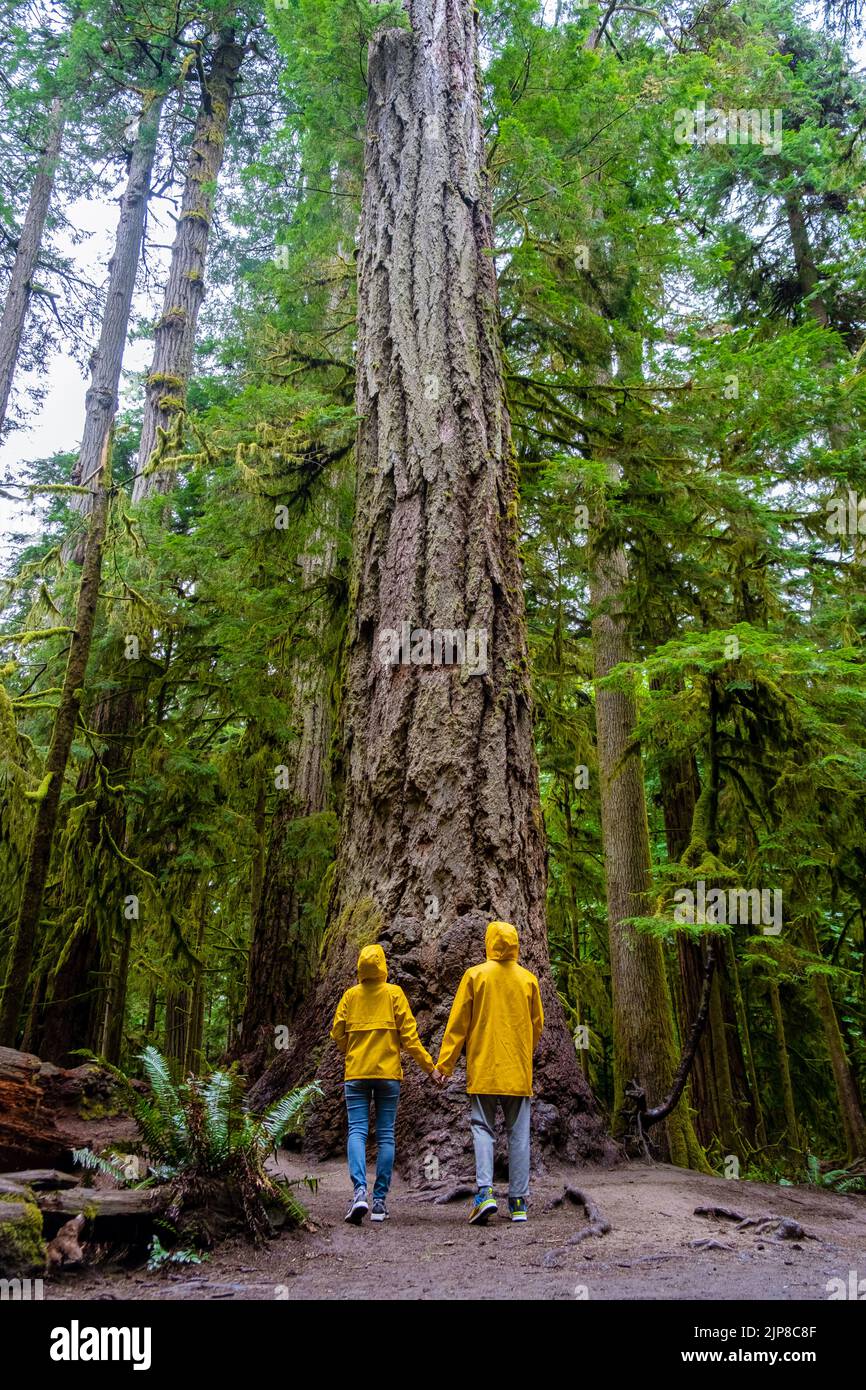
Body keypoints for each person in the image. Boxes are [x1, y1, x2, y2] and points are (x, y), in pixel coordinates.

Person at [433, 920, 544, 1225]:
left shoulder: (474, 976)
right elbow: (537, 1026)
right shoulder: (528, 980)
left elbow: (457, 1025)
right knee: (519, 1134)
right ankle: (519, 1201)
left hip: (483, 1068)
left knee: (483, 1129)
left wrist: (445, 1065)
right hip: (518, 1072)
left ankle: (485, 1192)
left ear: (489, 942)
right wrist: (523, 1053)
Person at [330, 942, 437, 1224]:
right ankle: (379, 1202)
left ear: (360, 968)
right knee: (386, 1134)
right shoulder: (394, 994)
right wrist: (431, 1069)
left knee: (357, 1130)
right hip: (388, 1074)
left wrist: (350, 1049)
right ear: (383, 967)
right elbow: (411, 1040)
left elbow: (337, 1032)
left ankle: (359, 1192)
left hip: (356, 1073)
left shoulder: (350, 996)